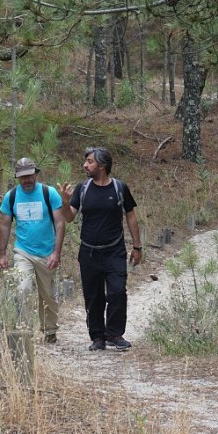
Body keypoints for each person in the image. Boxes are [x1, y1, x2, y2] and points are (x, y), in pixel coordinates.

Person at [59, 147, 141, 351]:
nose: (85, 165)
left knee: (117, 291)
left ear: (102, 166)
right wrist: (65, 202)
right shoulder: (83, 188)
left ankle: (114, 334)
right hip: (89, 252)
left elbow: (130, 215)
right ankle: (97, 337)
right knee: (93, 296)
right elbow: (69, 218)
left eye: (89, 161)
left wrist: (137, 246)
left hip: (115, 251)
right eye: (86, 161)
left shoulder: (120, 188)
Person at [0, 157, 65, 344]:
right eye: (22, 177)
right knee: (23, 288)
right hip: (23, 251)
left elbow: (60, 223)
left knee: (48, 295)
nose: (26, 180)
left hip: (47, 253)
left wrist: (56, 252)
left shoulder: (49, 193)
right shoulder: (11, 196)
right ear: (17, 177)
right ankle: (24, 332)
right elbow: (4, 225)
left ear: (36, 174)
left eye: (29, 176)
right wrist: (2, 253)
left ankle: (50, 331)